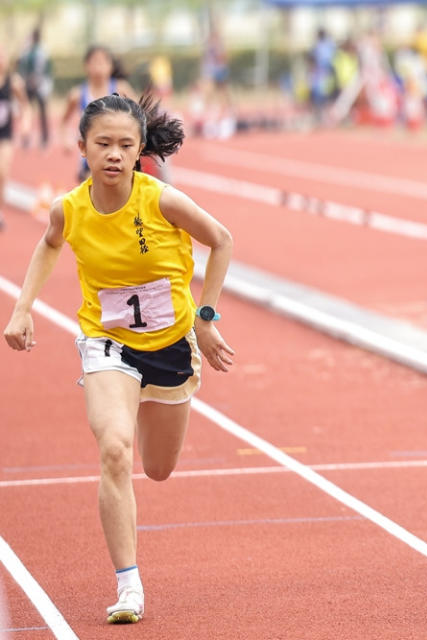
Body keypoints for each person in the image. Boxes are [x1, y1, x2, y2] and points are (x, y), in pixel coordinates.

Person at [3, 93, 235, 624]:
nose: (112, 154)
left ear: (139, 151)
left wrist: (206, 316)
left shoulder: (162, 200)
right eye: (102, 143)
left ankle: (163, 398)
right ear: (81, 146)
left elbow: (221, 240)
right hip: (107, 343)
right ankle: (128, 585)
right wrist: (22, 310)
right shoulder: (71, 207)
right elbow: (49, 242)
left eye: (125, 145)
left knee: (156, 469)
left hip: (173, 343)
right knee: (114, 448)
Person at [60, 45, 135, 183]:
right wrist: (66, 139)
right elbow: (64, 121)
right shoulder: (77, 94)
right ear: (86, 66)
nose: (98, 66)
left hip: (118, 152)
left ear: (110, 66)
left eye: (102, 62)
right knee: (94, 193)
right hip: (91, 154)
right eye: (94, 62)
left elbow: (139, 117)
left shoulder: (121, 89)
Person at [0, 48, 31, 232]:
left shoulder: (13, 82)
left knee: (2, 171)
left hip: (5, 135)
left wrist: (26, 123)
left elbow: (25, 106)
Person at [17, 27, 51, 149]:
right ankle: (29, 138)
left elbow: (44, 69)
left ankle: (44, 139)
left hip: (39, 85)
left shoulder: (40, 51)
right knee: (28, 111)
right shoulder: (31, 51)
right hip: (32, 85)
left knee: (38, 112)